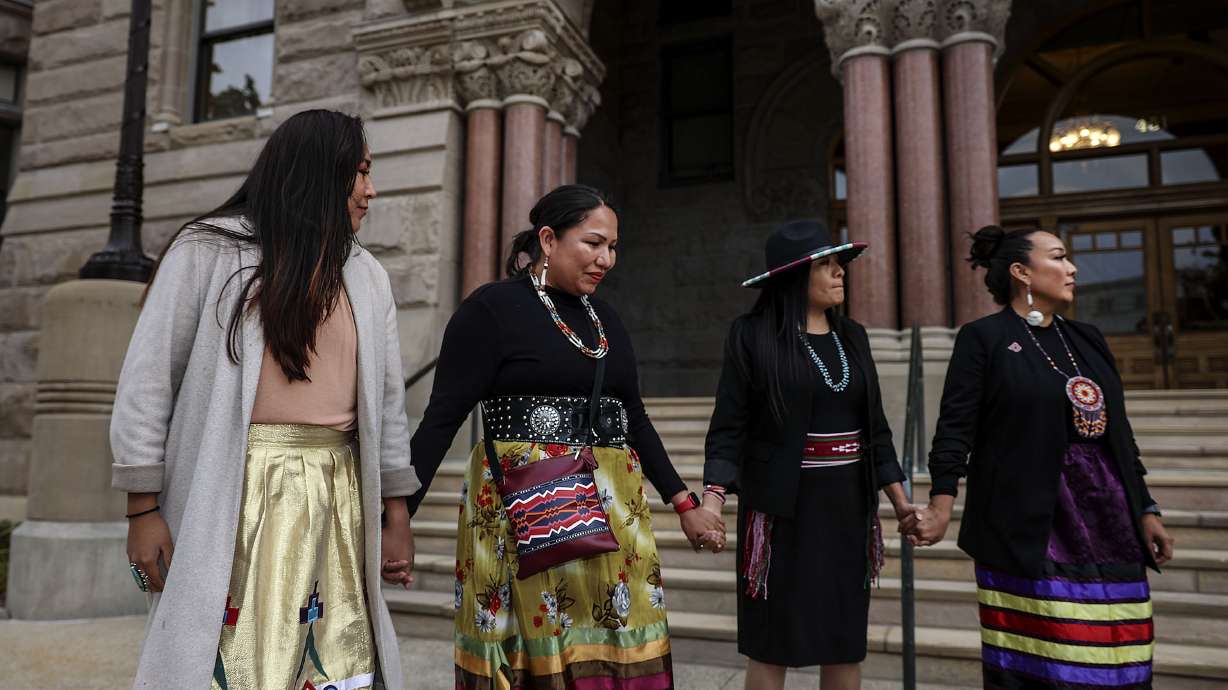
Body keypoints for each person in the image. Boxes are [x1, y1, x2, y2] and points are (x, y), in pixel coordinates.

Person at [111, 109, 420, 690]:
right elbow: (148, 381)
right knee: (228, 658)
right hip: (233, 492)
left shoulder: (366, 275)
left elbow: (385, 406)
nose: (371, 191)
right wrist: (141, 509)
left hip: (339, 496)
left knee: (335, 657)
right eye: (361, 172)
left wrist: (396, 513)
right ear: (319, 173)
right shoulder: (209, 250)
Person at [407, 184, 723, 688]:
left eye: (613, 247)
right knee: (533, 655)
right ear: (549, 240)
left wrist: (684, 503)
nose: (606, 259)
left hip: (615, 514)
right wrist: (397, 517)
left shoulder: (608, 321)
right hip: (523, 509)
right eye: (593, 243)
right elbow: (441, 418)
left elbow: (634, 418)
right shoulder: (491, 309)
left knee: (621, 637)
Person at [905, 225, 1175, 689]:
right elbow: (955, 429)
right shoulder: (984, 339)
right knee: (1043, 659)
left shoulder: (1088, 339)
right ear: (1021, 272)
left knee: (1119, 651)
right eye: (1059, 258)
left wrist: (1145, 508)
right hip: (1027, 519)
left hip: (1108, 516)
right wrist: (940, 506)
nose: (1072, 269)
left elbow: (1120, 434)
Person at [702, 220, 917, 690]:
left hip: (847, 508)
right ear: (794, 276)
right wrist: (713, 500)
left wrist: (900, 501)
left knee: (843, 641)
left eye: (841, 263)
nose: (841, 272)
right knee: (771, 641)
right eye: (827, 264)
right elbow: (728, 428)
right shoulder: (751, 336)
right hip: (782, 511)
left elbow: (876, 430)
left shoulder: (853, 337)